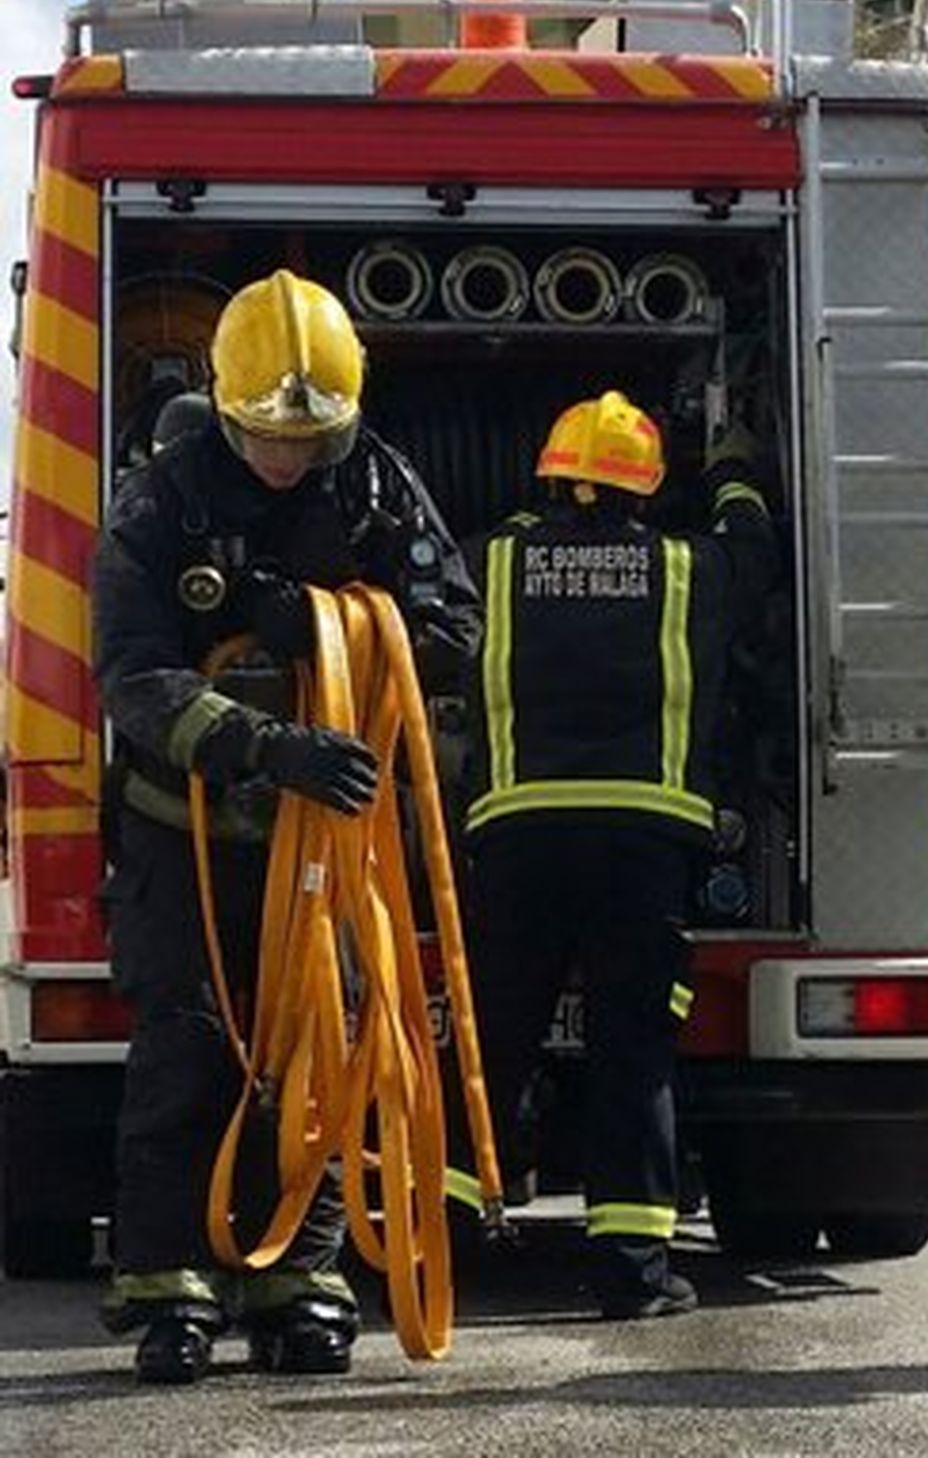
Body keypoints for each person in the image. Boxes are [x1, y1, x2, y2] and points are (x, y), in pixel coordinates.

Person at [92, 269, 481, 1384]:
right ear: (226, 406)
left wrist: (332, 633)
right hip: (195, 830)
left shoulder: (372, 480)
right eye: (266, 435)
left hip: (333, 835)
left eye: (308, 438)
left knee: (325, 1050)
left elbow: (450, 623)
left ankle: (300, 1281)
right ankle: (168, 1287)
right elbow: (131, 675)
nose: (286, 458)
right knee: (193, 1050)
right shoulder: (163, 498)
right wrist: (261, 743)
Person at [463, 388, 776, 1320]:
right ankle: (633, 1274)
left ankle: (429, 1249)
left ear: (553, 482)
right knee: (632, 1053)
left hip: (518, 839)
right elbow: (755, 551)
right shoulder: (690, 569)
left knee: (491, 1043)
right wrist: (730, 474)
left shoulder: (497, 561)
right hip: (643, 843)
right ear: (647, 492)